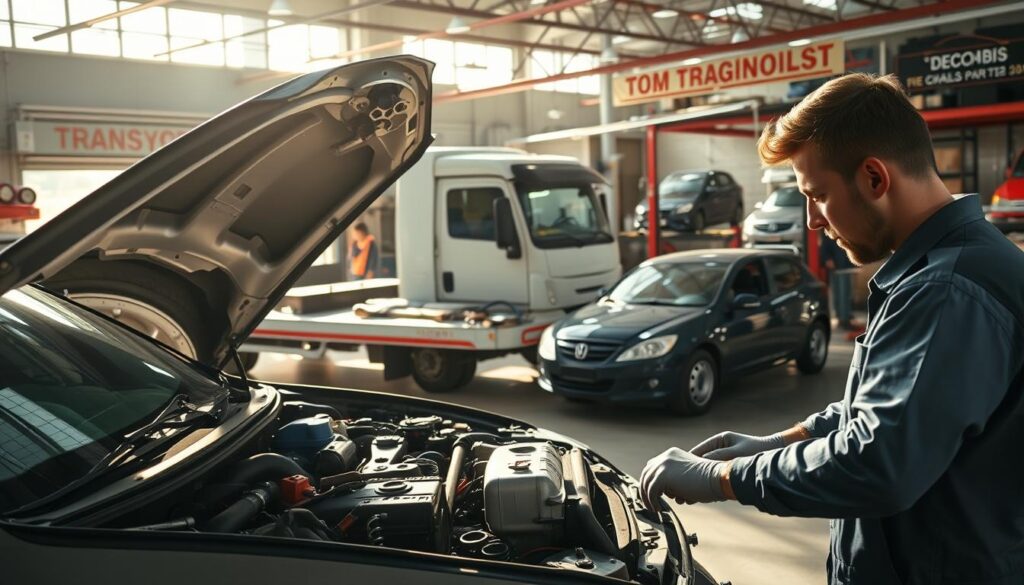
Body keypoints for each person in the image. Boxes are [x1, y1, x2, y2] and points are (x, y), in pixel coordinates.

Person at [640, 73, 1024, 585]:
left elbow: (878, 463)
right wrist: (778, 441)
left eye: (816, 194)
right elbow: (882, 406)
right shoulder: (949, 270)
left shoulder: (945, 291)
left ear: (873, 178)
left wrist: (723, 478)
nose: (812, 221)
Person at [819, 231, 855, 329]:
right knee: (842, 292)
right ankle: (843, 318)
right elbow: (825, 243)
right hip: (838, 264)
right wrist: (827, 258)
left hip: (844, 264)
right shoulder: (830, 226)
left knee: (845, 292)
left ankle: (843, 316)